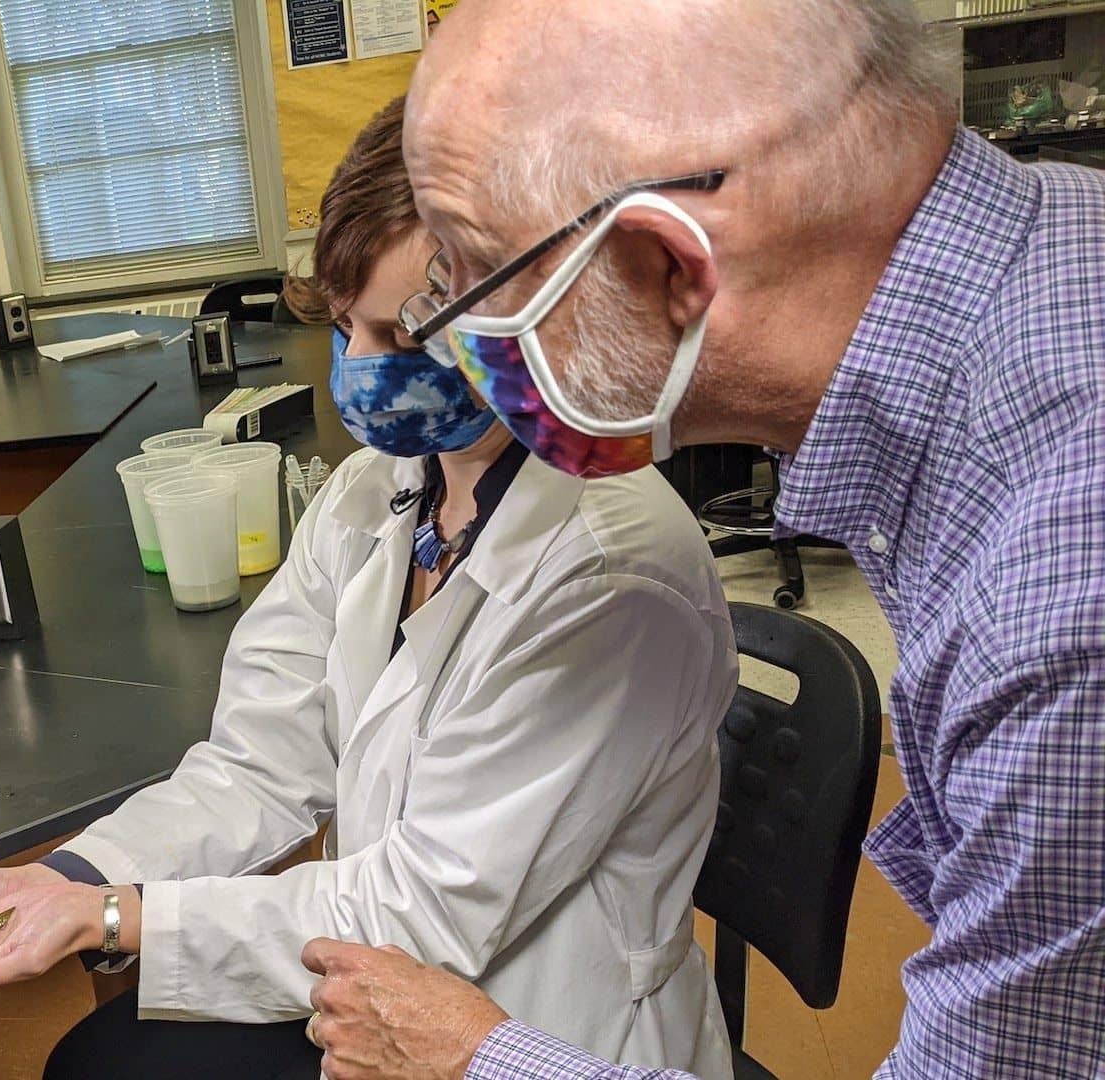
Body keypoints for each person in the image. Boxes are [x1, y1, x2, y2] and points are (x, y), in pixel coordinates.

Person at [0, 98, 738, 1079]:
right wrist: (72, 877)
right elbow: (259, 764)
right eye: (344, 328)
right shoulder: (381, 491)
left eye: (401, 343)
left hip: (528, 1027)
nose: (356, 372)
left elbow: (422, 913)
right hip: (372, 991)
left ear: (525, 319)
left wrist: (108, 918)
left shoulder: (613, 576)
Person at [303, 2, 1105, 1078]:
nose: (462, 343)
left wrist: (477, 1061)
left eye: (471, 285)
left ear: (665, 267)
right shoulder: (1043, 260)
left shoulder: (1059, 597)